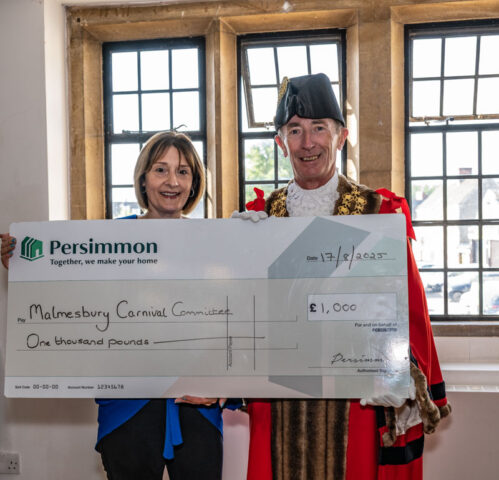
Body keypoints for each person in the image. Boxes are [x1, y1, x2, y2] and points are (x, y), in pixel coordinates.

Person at [237, 73, 451, 480]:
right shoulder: (259, 219)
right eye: (294, 130)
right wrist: (237, 256)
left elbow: (410, 311)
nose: (308, 142)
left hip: (357, 406)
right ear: (280, 143)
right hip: (279, 404)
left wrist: (402, 373)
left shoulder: (378, 213)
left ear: (342, 137)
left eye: (319, 128)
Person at [1, 130, 238, 480]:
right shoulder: (107, 241)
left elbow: (237, 317)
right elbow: (70, 298)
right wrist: (24, 268)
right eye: (161, 169)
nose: (172, 181)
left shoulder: (219, 242)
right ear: (143, 179)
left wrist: (228, 387)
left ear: (194, 183)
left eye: (183, 171)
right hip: (127, 407)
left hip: (197, 405)